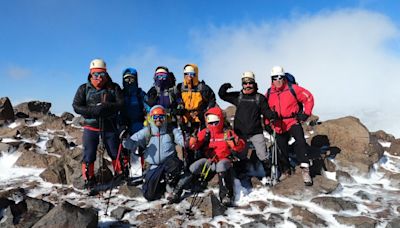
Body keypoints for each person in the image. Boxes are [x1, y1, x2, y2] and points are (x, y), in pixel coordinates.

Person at [169, 107, 245, 206]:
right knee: (194, 167)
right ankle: (176, 192)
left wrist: (236, 144)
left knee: (221, 166)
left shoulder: (227, 133)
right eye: (210, 122)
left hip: (224, 160)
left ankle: (226, 196)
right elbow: (195, 145)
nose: (213, 125)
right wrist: (193, 141)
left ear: (221, 120)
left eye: (215, 122)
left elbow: (240, 146)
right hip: (209, 161)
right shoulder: (205, 132)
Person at [72, 58, 124, 189]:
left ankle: (120, 174)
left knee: (114, 151)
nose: (99, 78)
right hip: (91, 127)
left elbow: (121, 104)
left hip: (109, 126)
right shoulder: (84, 89)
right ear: (91, 73)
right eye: (96, 74)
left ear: (106, 74)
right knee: (89, 154)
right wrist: (93, 110)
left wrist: (107, 107)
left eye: (102, 74)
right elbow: (76, 106)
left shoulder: (114, 87)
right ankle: (89, 178)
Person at [219, 71, 276, 184]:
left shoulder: (259, 98)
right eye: (245, 83)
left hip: (255, 131)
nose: (248, 85)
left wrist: (272, 116)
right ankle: (241, 174)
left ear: (254, 83)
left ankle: (268, 175)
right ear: (242, 84)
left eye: (250, 83)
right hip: (240, 132)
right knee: (240, 155)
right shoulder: (238, 97)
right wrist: (224, 87)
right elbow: (222, 95)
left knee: (263, 155)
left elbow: (266, 111)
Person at [264, 66, 314, 186]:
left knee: (301, 142)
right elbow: (265, 109)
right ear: (272, 79)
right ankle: (286, 170)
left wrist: (306, 113)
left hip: (292, 121)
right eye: (275, 78)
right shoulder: (269, 93)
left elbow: (308, 98)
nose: (278, 80)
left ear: (284, 77)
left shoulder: (293, 88)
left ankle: (305, 170)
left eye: (280, 77)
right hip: (278, 124)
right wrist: (267, 123)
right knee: (281, 148)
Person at [122, 105, 184, 201]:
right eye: (155, 117)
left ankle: (171, 187)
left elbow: (182, 140)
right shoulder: (147, 131)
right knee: (149, 196)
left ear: (165, 118)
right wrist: (125, 138)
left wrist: (188, 140)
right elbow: (131, 144)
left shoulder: (171, 130)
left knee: (175, 164)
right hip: (153, 166)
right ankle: (160, 187)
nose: (158, 119)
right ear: (151, 118)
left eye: (161, 117)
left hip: (168, 163)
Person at [176, 64, 216, 133]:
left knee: (201, 139)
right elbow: (177, 98)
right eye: (186, 74)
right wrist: (180, 106)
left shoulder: (202, 88)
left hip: (200, 119)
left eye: (191, 74)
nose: (189, 77)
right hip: (186, 119)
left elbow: (211, 99)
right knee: (187, 141)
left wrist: (205, 112)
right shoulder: (180, 87)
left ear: (196, 74)